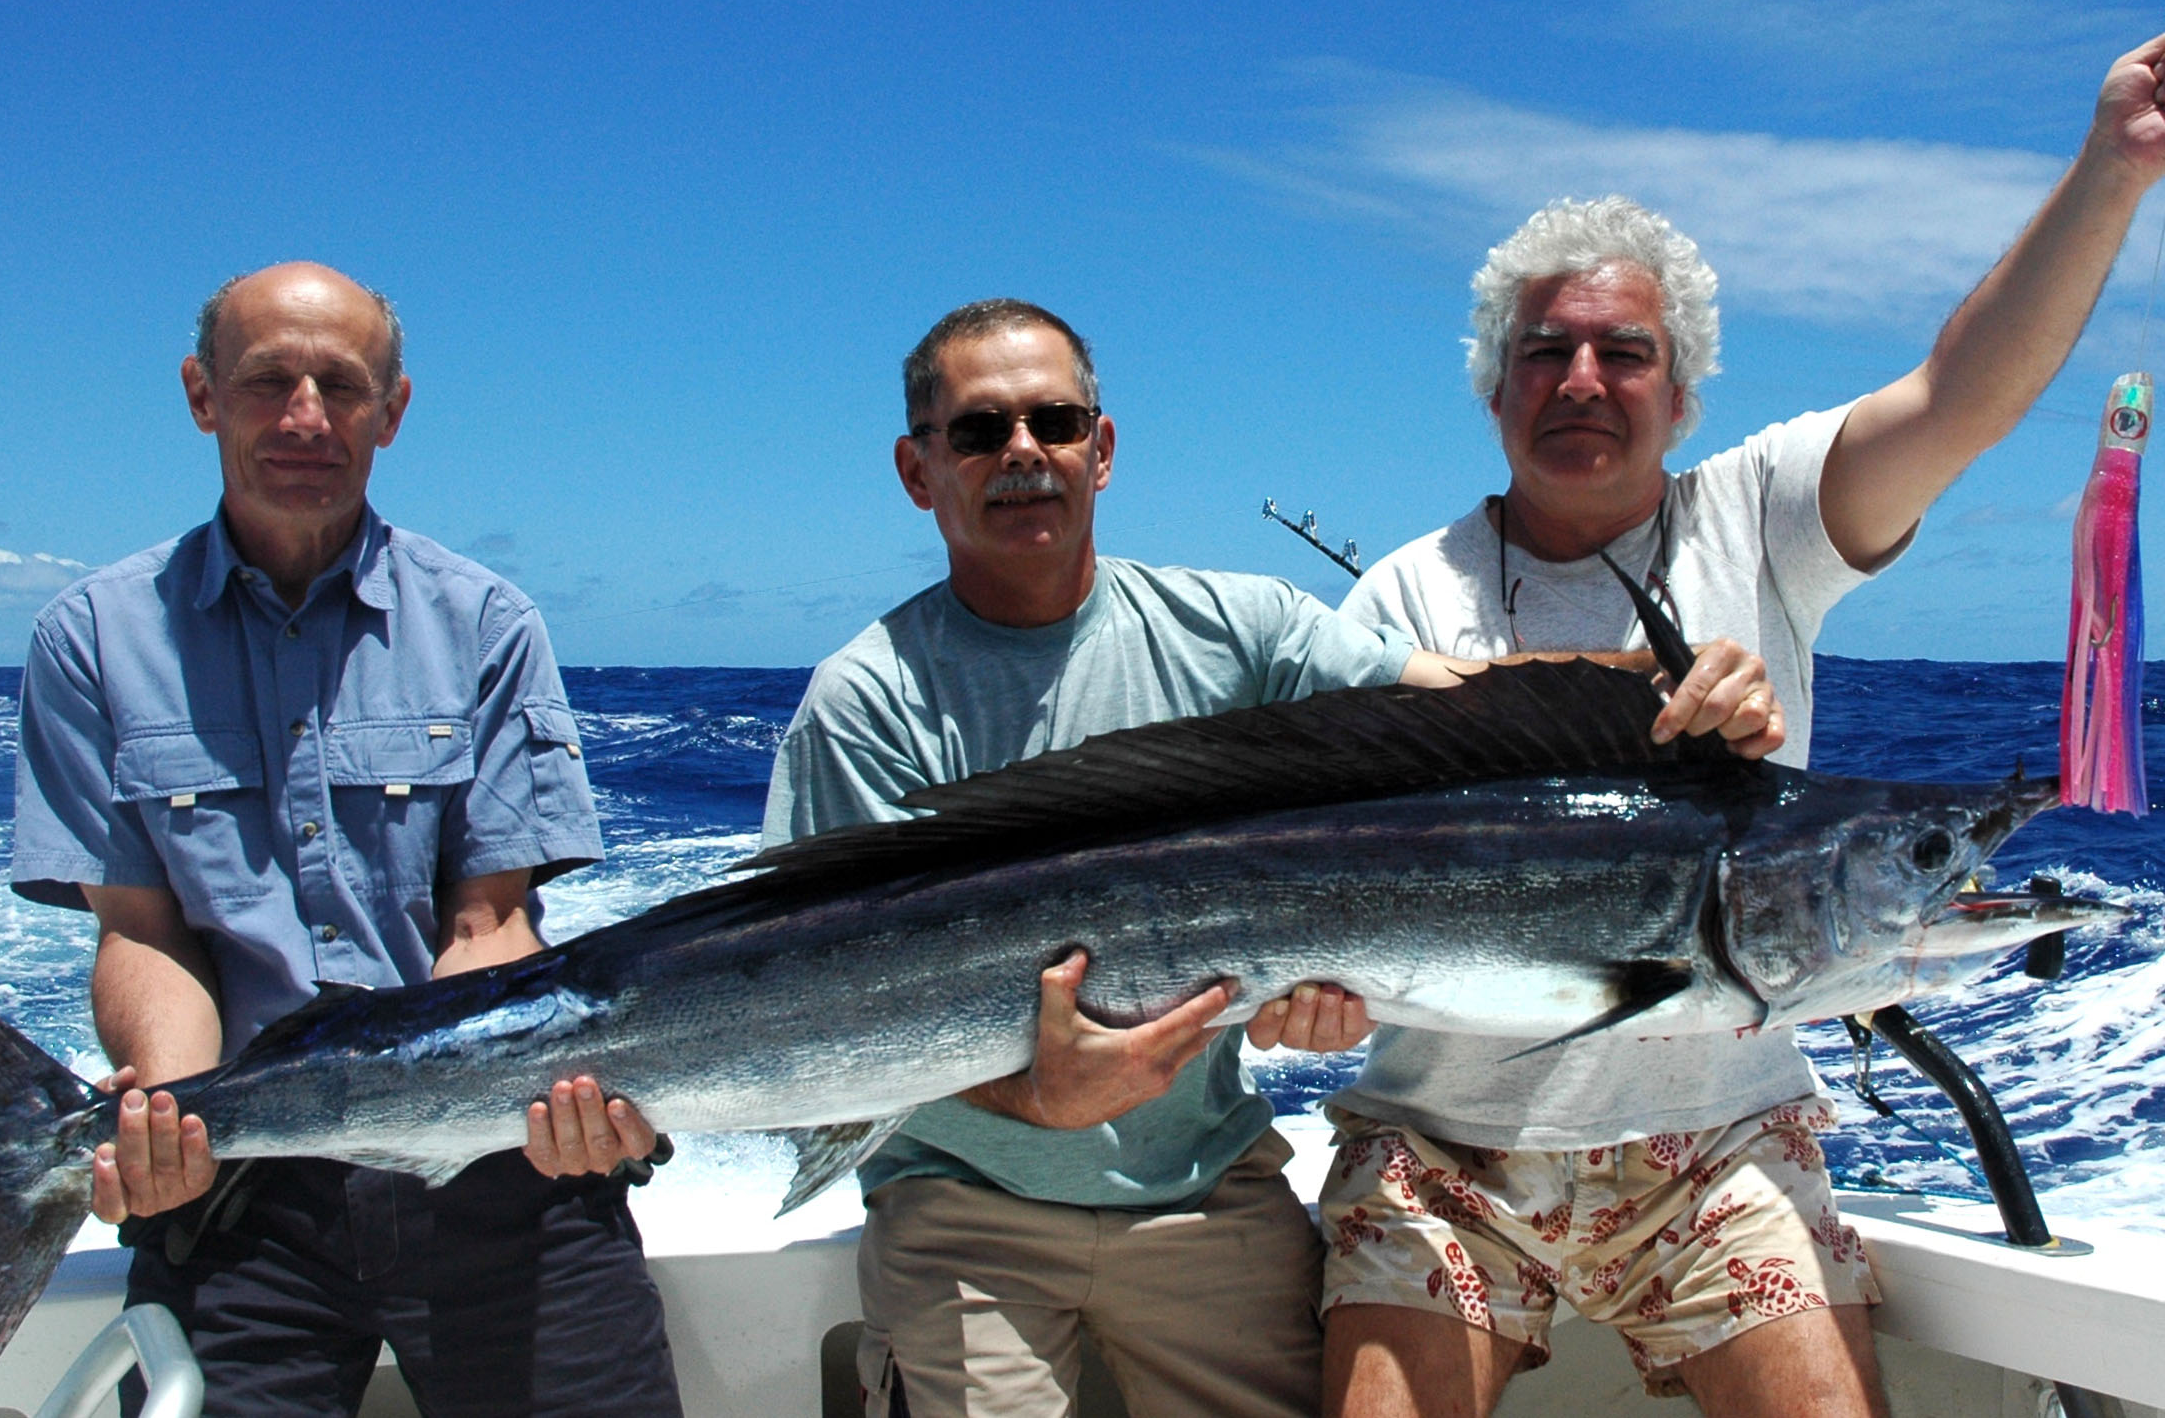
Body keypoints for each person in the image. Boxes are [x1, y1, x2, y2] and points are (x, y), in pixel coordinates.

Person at [1320, 19, 2165, 1418]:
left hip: (1718, 1142)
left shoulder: (1765, 513)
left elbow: (1961, 397)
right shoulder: (1399, 594)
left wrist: (2113, 169)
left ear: (1681, 393)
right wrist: (1299, 997)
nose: (1581, 381)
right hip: (1444, 1147)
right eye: (1545, 353)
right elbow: (1324, 872)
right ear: (1495, 389)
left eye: (1623, 353)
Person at [764, 298, 1785, 1418]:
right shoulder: (864, 699)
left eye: (1054, 422)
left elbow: (1454, 705)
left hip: (1203, 1189)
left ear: (1099, 452)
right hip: (963, 1203)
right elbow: (820, 1009)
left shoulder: (1236, 627)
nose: (1023, 453)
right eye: (979, 430)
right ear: (919, 470)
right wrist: (1038, 1096)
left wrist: (1657, 686)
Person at [9, 262, 681, 1417]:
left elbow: (490, 918)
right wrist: (170, 1123)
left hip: (498, 1181)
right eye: (270, 380)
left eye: (342, 384)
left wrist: (519, 1098)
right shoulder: (91, 636)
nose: (306, 415)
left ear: (392, 410)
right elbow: (144, 932)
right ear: (202, 394)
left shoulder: (486, 621)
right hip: (238, 1206)